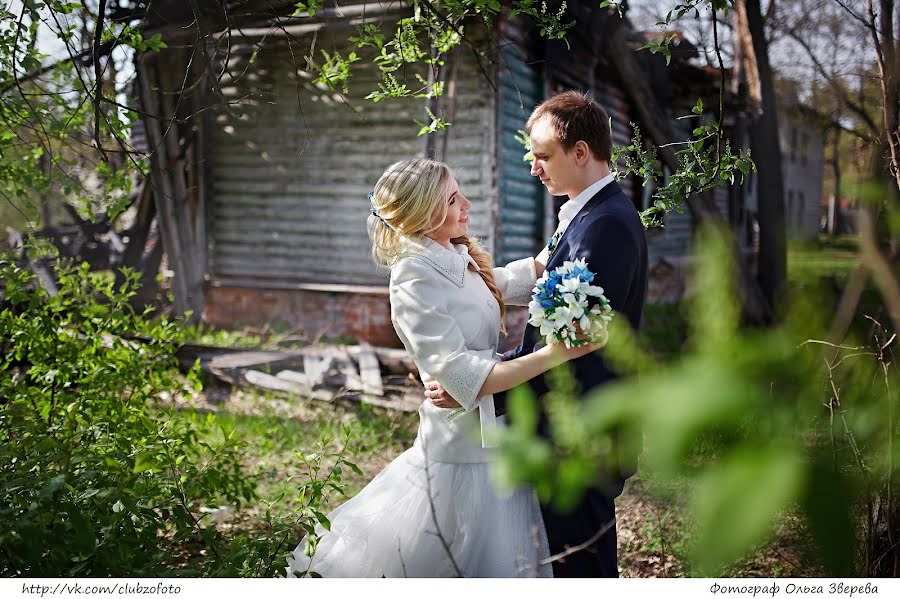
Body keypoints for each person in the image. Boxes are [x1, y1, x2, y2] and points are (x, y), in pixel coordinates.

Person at [285, 158, 600, 578]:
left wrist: (575, 219)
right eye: (453, 199)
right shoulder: (413, 277)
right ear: (423, 213)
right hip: (462, 452)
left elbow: (512, 281)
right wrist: (559, 352)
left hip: (498, 439)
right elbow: (467, 376)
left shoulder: (455, 253)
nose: (466, 204)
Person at [425, 91, 649, 577]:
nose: (534, 169)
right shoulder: (587, 215)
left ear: (581, 153)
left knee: (581, 570)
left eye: (543, 156)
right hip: (568, 427)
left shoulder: (604, 225)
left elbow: (571, 347)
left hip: (580, 432)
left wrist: (478, 384)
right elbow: (547, 301)